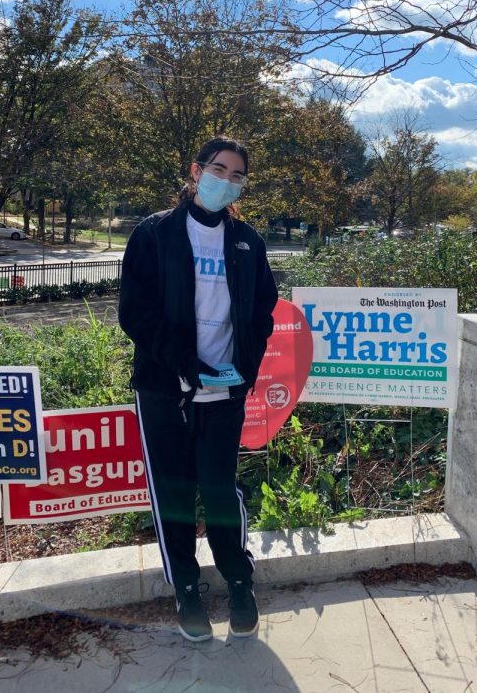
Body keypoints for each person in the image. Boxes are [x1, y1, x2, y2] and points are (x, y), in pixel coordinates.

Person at [119, 137, 278, 642]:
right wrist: (186, 365)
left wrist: (245, 368)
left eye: (237, 175)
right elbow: (135, 313)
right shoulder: (155, 234)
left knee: (220, 489)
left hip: (225, 393)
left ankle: (238, 581)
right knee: (174, 491)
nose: (225, 181)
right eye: (218, 169)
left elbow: (261, 312)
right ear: (196, 171)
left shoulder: (247, 241)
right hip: (167, 388)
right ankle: (186, 589)